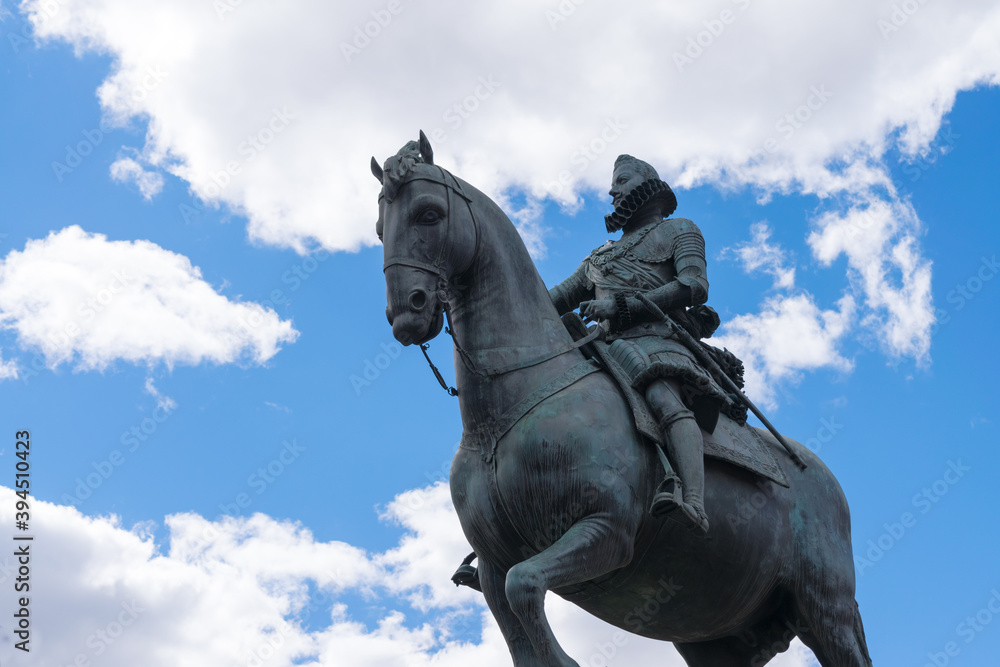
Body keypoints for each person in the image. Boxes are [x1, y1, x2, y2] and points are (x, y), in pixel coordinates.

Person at [548, 154, 728, 535]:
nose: (613, 190)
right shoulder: (599, 255)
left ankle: (693, 502)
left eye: (622, 180)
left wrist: (621, 306)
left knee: (663, 397)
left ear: (648, 183)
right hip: (600, 346)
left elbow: (694, 285)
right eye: (613, 183)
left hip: (656, 340)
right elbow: (554, 299)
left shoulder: (680, 229)